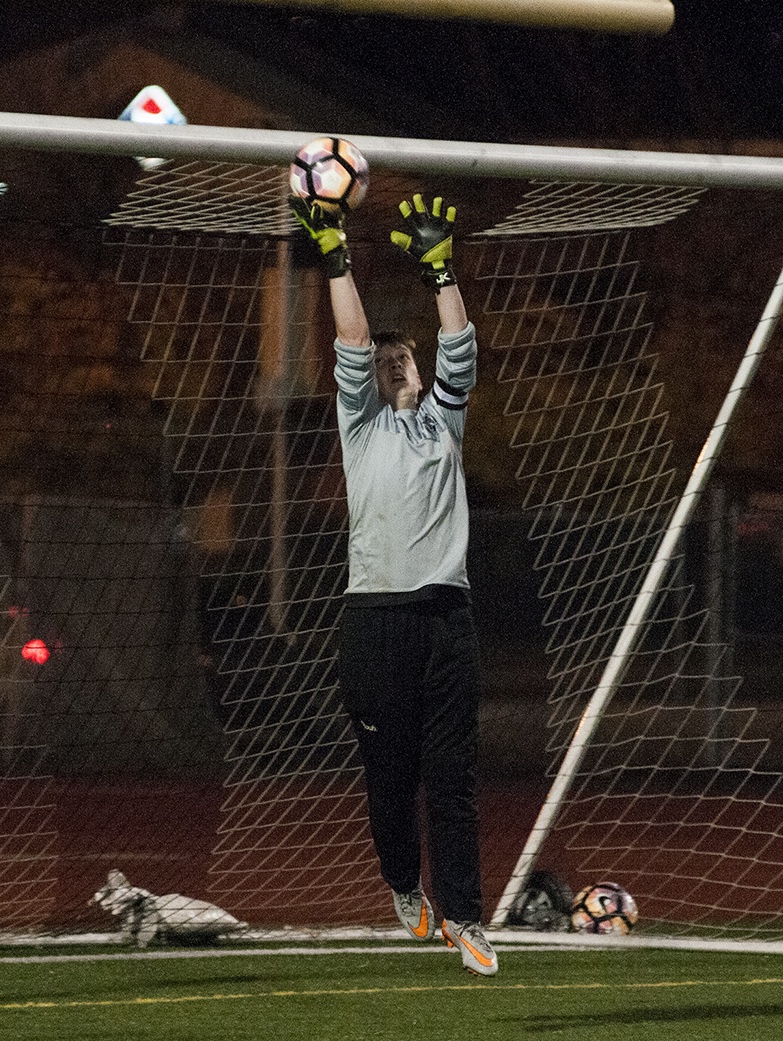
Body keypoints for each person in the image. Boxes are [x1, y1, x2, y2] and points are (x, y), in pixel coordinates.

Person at [291, 189, 497, 977]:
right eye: (382, 357)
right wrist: (334, 254)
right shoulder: (361, 423)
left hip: (447, 617)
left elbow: (459, 346)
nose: (392, 357)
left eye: (400, 352)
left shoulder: (444, 421)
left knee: (453, 773)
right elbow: (350, 337)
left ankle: (468, 916)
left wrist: (440, 270)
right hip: (374, 624)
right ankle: (401, 883)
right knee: (391, 777)